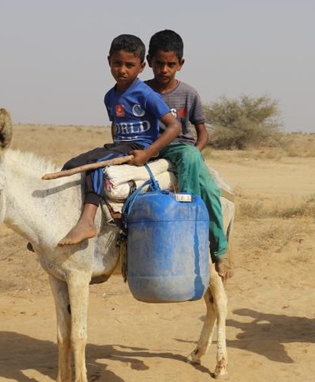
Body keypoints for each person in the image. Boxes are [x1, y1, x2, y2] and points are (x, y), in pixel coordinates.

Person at [56, 34, 180, 246]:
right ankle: (58, 224)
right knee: (71, 165)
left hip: (137, 146)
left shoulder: (145, 94)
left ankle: (87, 222)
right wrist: (115, 146)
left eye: (129, 65)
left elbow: (174, 126)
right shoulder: (109, 96)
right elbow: (115, 124)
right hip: (119, 145)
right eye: (117, 64)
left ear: (141, 67)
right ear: (109, 62)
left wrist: (148, 153)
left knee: (96, 166)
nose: (122, 70)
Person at [145, 29, 232, 279]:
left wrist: (194, 153)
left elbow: (202, 133)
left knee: (212, 191)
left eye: (170, 64)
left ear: (180, 64)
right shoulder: (141, 91)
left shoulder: (189, 94)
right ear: (150, 61)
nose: (164, 70)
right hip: (150, 148)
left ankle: (219, 252)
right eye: (159, 63)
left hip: (182, 149)